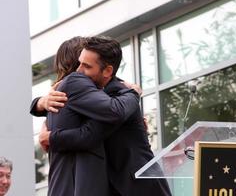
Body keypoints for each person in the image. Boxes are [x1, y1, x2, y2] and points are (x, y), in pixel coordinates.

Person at [39, 36, 172, 196]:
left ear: (107, 71)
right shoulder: (87, 97)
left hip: (139, 187)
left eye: (86, 66)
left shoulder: (119, 96)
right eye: (78, 64)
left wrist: (52, 138)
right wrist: (39, 103)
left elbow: (89, 134)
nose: (78, 72)